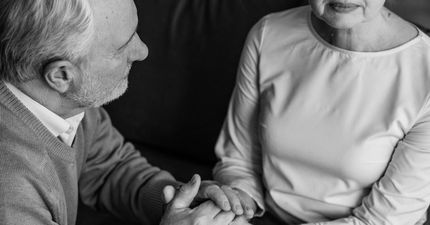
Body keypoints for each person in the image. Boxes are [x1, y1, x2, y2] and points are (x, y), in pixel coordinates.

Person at [0, 0, 247, 225]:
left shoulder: (67, 104)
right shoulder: (11, 194)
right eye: (123, 46)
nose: (143, 51)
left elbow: (110, 168)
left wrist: (181, 200)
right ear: (62, 76)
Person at [212, 0, 430, 224]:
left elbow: (380, 221)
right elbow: (238, 161)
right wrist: (236, 204)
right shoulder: (268, 33)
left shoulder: (424, 72)